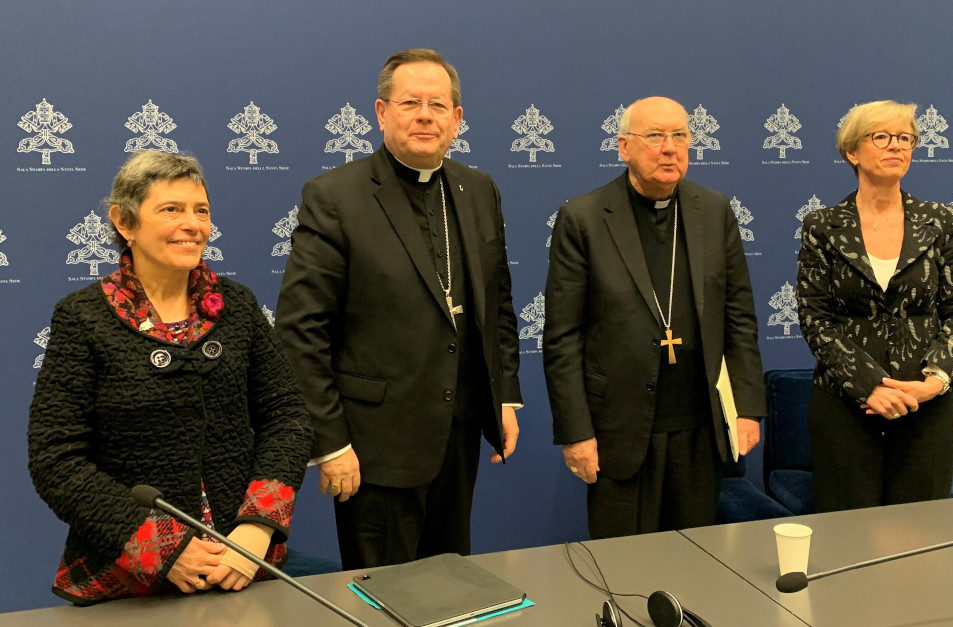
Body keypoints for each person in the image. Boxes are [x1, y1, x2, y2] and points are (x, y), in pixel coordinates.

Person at [27, 151, 312, 605]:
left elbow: (288, 418)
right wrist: (163, 548)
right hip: (128, 580)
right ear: (124, 221)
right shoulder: (81, 318)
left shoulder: (237, 306)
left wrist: (257, 530)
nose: (193, 224)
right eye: (171, 210)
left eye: (201, 210)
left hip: (242, 565)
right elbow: (56, 458)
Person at [276, 48, 522, 569]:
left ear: (458, 119)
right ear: (382, 112)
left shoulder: (479, 189)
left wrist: (504, 397)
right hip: (375, 448)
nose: (425, 115)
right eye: (410, 102)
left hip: (459, 433)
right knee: (383, 597)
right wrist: (331, 442)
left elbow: (497, 302)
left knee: (452, 582)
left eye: (439, 104)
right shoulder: (336, 196)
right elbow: (300, 332)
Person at [543, 97, 766, 539]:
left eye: (680, 136)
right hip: (618, 432)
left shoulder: (715, 210)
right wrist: (576, 433)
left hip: (699, 429)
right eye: (655, 136)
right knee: (624, 567)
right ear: (624, 147)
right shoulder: (584, 217)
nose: (670, 148)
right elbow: (563, 338)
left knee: (695, 561)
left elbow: (739, 316)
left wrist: (746, 407)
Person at [797, 100, 953, 512]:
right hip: (845, 406)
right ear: (852, 151)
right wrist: (869, 385)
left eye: (905, 138)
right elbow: (814, 316)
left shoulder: (941, 220)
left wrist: (935, 380)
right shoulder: (823, 226)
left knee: (920, 540)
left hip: (926, 406)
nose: (896, 146)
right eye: (881, 137)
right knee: (848, 536)